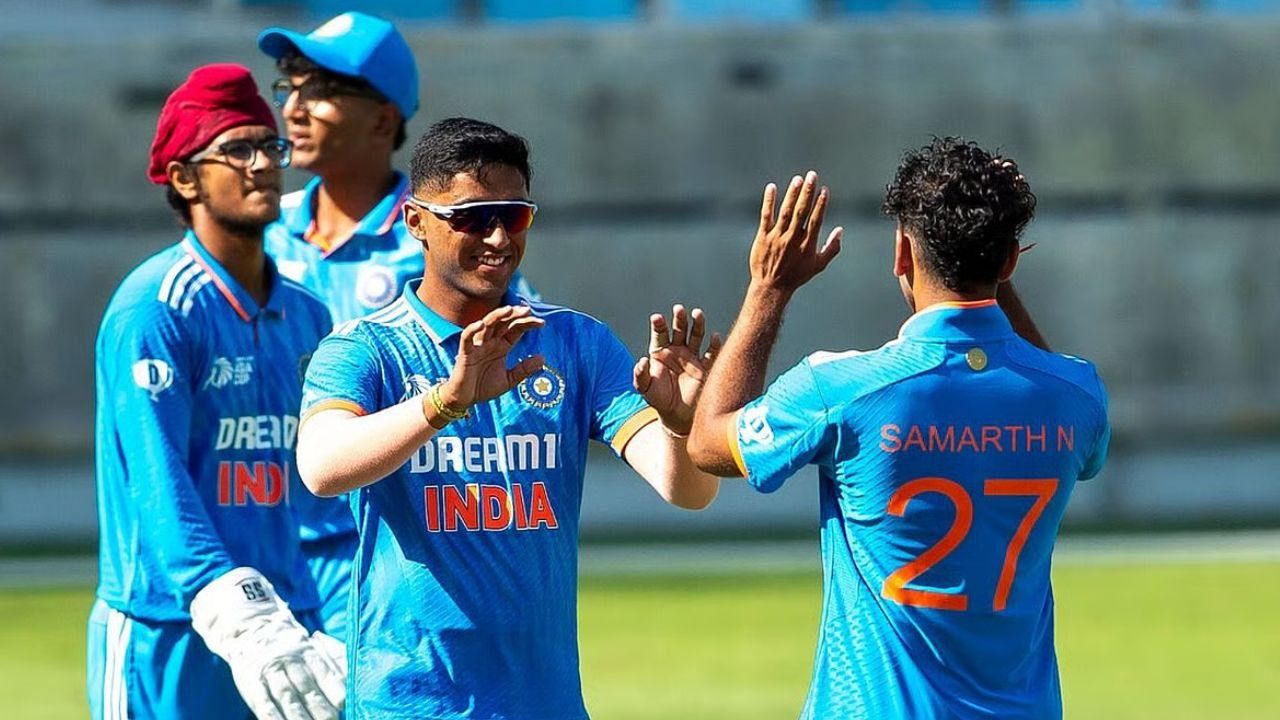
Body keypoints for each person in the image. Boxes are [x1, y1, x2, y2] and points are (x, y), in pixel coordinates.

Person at [294, 117, 720, 718]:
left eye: (514, 216)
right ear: (415, 221)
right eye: (472, 217)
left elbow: (688, 492)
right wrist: (446, 401)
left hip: (543, 702)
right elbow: (320, 467)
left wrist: (680, 423)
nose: (497, 237)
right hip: (410, 701)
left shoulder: (576, 342)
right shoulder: (364, 348)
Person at [687, 138, 1110, 719]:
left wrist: (769, 288)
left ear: (902, 254)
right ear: (1010, 259)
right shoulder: (1076, 394)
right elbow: (1052, 395)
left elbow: (708, 443)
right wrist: (986, 253)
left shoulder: (841, 390)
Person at [256, 12, 539, 640]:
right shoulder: (262, 235)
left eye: (318, 90)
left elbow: (510, 382)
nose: (293, 108)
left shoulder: (448, 238)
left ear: (383, 119)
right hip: (265, 549)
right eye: (288, 89)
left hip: (386, 551)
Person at [87, 64, 345, 720]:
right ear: (184, 178)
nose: (262, 165)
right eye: (236, 150)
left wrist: (337, 609)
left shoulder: (308, 316)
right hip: (171, 629)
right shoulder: (154, 309)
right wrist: (231, 608)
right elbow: (156, 480)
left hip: (287, 625)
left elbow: (322, 480)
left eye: (269, 146)